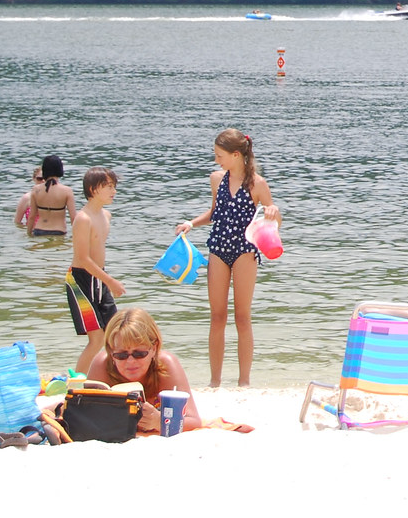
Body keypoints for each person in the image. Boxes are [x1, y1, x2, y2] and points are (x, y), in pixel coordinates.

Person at [176, 128, 281, 388]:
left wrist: (273, 212)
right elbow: (214, 212)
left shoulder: (258, 184)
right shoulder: (216, 179)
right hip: (218, 249)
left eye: (220, 155)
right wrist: (191, 223)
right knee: (217, 316)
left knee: (242, 317)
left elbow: (274, 219)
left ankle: (244, 381)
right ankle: (214, 381)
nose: (216, 160)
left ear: (236, 155)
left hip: (245, 250)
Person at [86, 307, 201, 434]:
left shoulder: (165, 366)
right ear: (111, 352)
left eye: (139, 353)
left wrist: (159, 421)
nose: (130, 361)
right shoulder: (103, 365)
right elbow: (85, 418)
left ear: (154, 348)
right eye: (121, 355)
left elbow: (194, 421)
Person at [66, 166, 125, 374]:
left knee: (115, 332)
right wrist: (111, 281)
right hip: (81, 281)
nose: (114, 191)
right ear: (93, 189)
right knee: (97, 338)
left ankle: (107, 376)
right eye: (108, 186)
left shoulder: (106, 215)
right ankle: (77, 385)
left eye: (114, 186)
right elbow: (83, 258)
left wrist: (106, 280)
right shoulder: (83, 218)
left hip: (99, 278)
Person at [28, 154, 77, 236]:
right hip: (58, 231)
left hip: (39, 230)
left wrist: (29, 234)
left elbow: (32, 216)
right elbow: (73, 218)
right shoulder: (67, 191)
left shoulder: (35, 190)